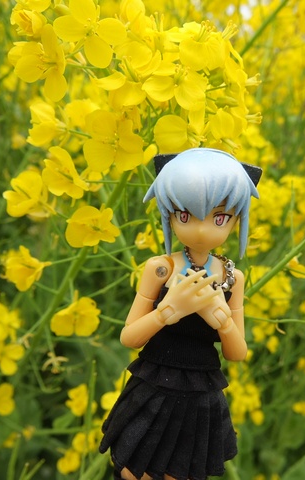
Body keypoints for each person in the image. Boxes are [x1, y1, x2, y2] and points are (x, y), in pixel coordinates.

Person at [99, 148, 261, 480]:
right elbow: (129, 337)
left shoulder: (233, 278)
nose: (201, 230)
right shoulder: (160, 269)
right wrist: (169, 310)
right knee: (133, 470)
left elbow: (237, 353)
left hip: (200, 395)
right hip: (154, 386)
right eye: (185, 216)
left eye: (219, 218)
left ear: (236, 220)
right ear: (169, 216)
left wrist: (221, 319)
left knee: (183, 471)